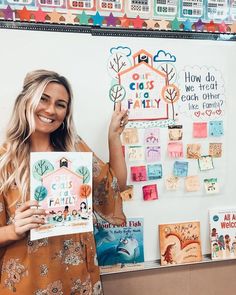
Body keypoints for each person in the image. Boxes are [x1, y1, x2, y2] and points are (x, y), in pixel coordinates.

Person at [0, 69, 128, 294]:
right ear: (26, 101)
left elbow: (115, 186)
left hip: (78, 278)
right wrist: (14, 230)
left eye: (61, 104)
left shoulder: (73, 152)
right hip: (27, 282)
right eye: (43, 99)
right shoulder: (5, 161)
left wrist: (113, 136)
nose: (51, 110)